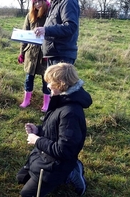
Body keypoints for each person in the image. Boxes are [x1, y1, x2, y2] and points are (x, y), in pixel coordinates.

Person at [16, 63, 92, 197]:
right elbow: (54, 129)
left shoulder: (70, 113)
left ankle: (71, 172)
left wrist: (37, 140)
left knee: (27, 195)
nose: (48, 86)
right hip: (45, 155)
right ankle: (68, 171)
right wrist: (38, 130)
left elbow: (64, 150)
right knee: (21, 178)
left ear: (61, 84)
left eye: (50, 82)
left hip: (57, 163)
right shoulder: (60, 99)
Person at [34, 0, 80, 66]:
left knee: (61, 80)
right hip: (53, 54)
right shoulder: (54, 3)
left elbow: (70, 26)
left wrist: (46, 30)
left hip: (62, 56)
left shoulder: (68, 1)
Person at [18, 0, 50, 112]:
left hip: (44, 54)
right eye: (35, 2)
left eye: (39, 1)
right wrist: (22, 52)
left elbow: (53, 33)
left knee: (46, 79)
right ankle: (26, 100)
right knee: (28, 78)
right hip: (31, 53)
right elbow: (24, 35)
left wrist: (49, 52)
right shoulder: (29, 16)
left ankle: (46, 103)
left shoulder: (49, 14)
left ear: (44, 1)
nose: (37, 4)